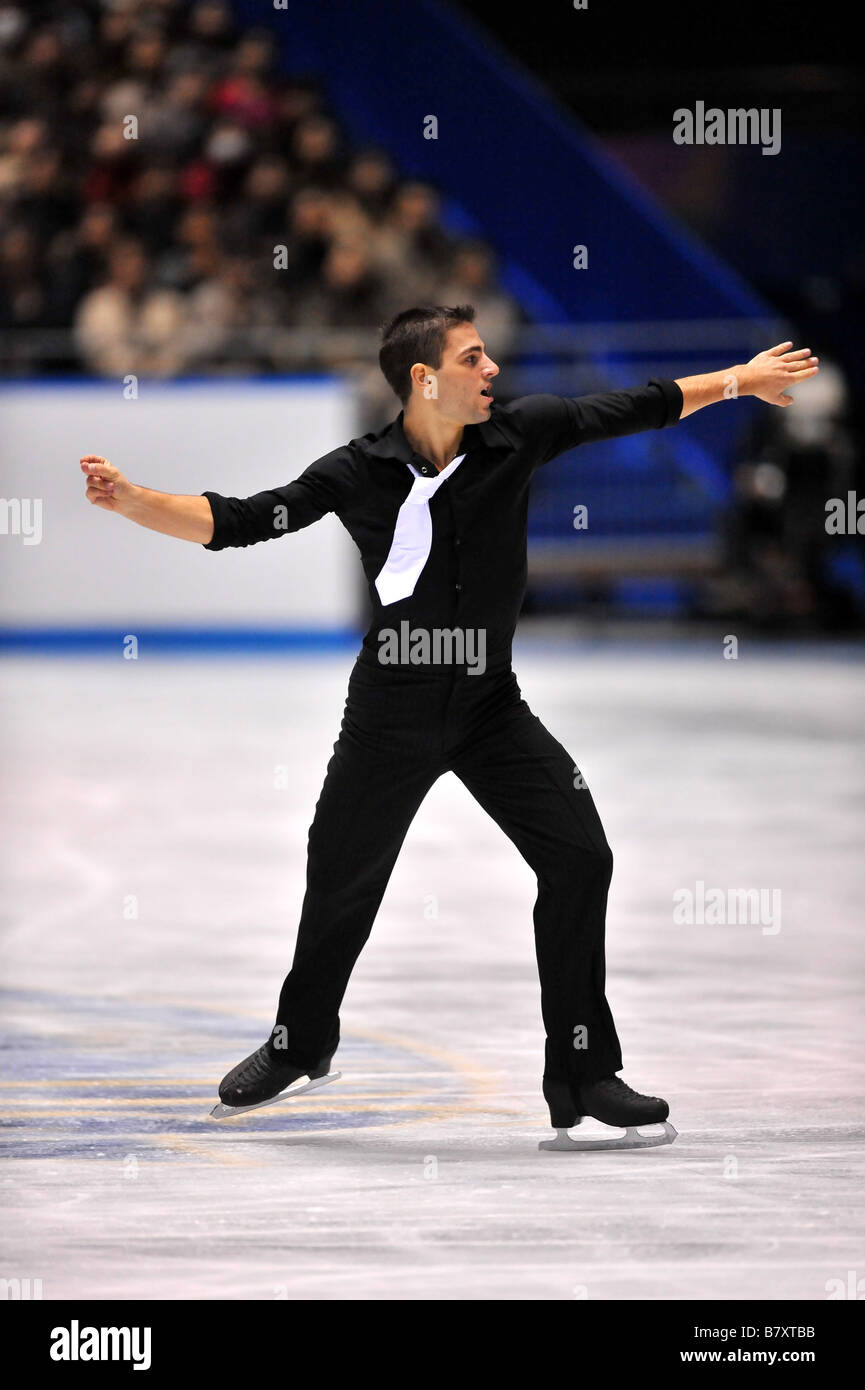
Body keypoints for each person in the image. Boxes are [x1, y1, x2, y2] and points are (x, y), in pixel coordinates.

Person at [79, 306, 818, 1148]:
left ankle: (583, 1071)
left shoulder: (522, 433)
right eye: (473, 358)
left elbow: (641, 404)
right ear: (424, 380)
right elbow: (248, 520)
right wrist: (135, 501)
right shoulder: (356, 470)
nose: (492, 369)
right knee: (340, 879)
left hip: (488, 709)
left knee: (581, 858)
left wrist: (741, 381)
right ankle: (300, 1041)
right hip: (388, 713)